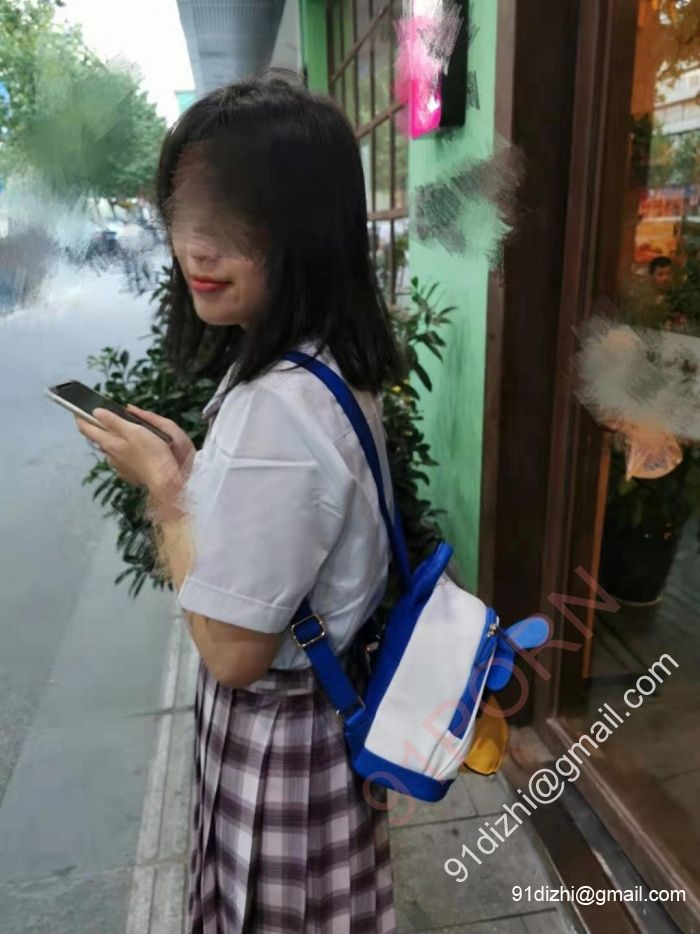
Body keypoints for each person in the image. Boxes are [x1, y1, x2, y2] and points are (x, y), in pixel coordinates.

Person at [73, 70, 407, 932]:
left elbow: (231, 652)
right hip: (324, 721)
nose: (199, 250)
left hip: (282, 747)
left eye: (236, 222)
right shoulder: (323, 364)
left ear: (305, 231)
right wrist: (200, 475)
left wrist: (166, 491)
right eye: (190, 217)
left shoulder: (278, 408)